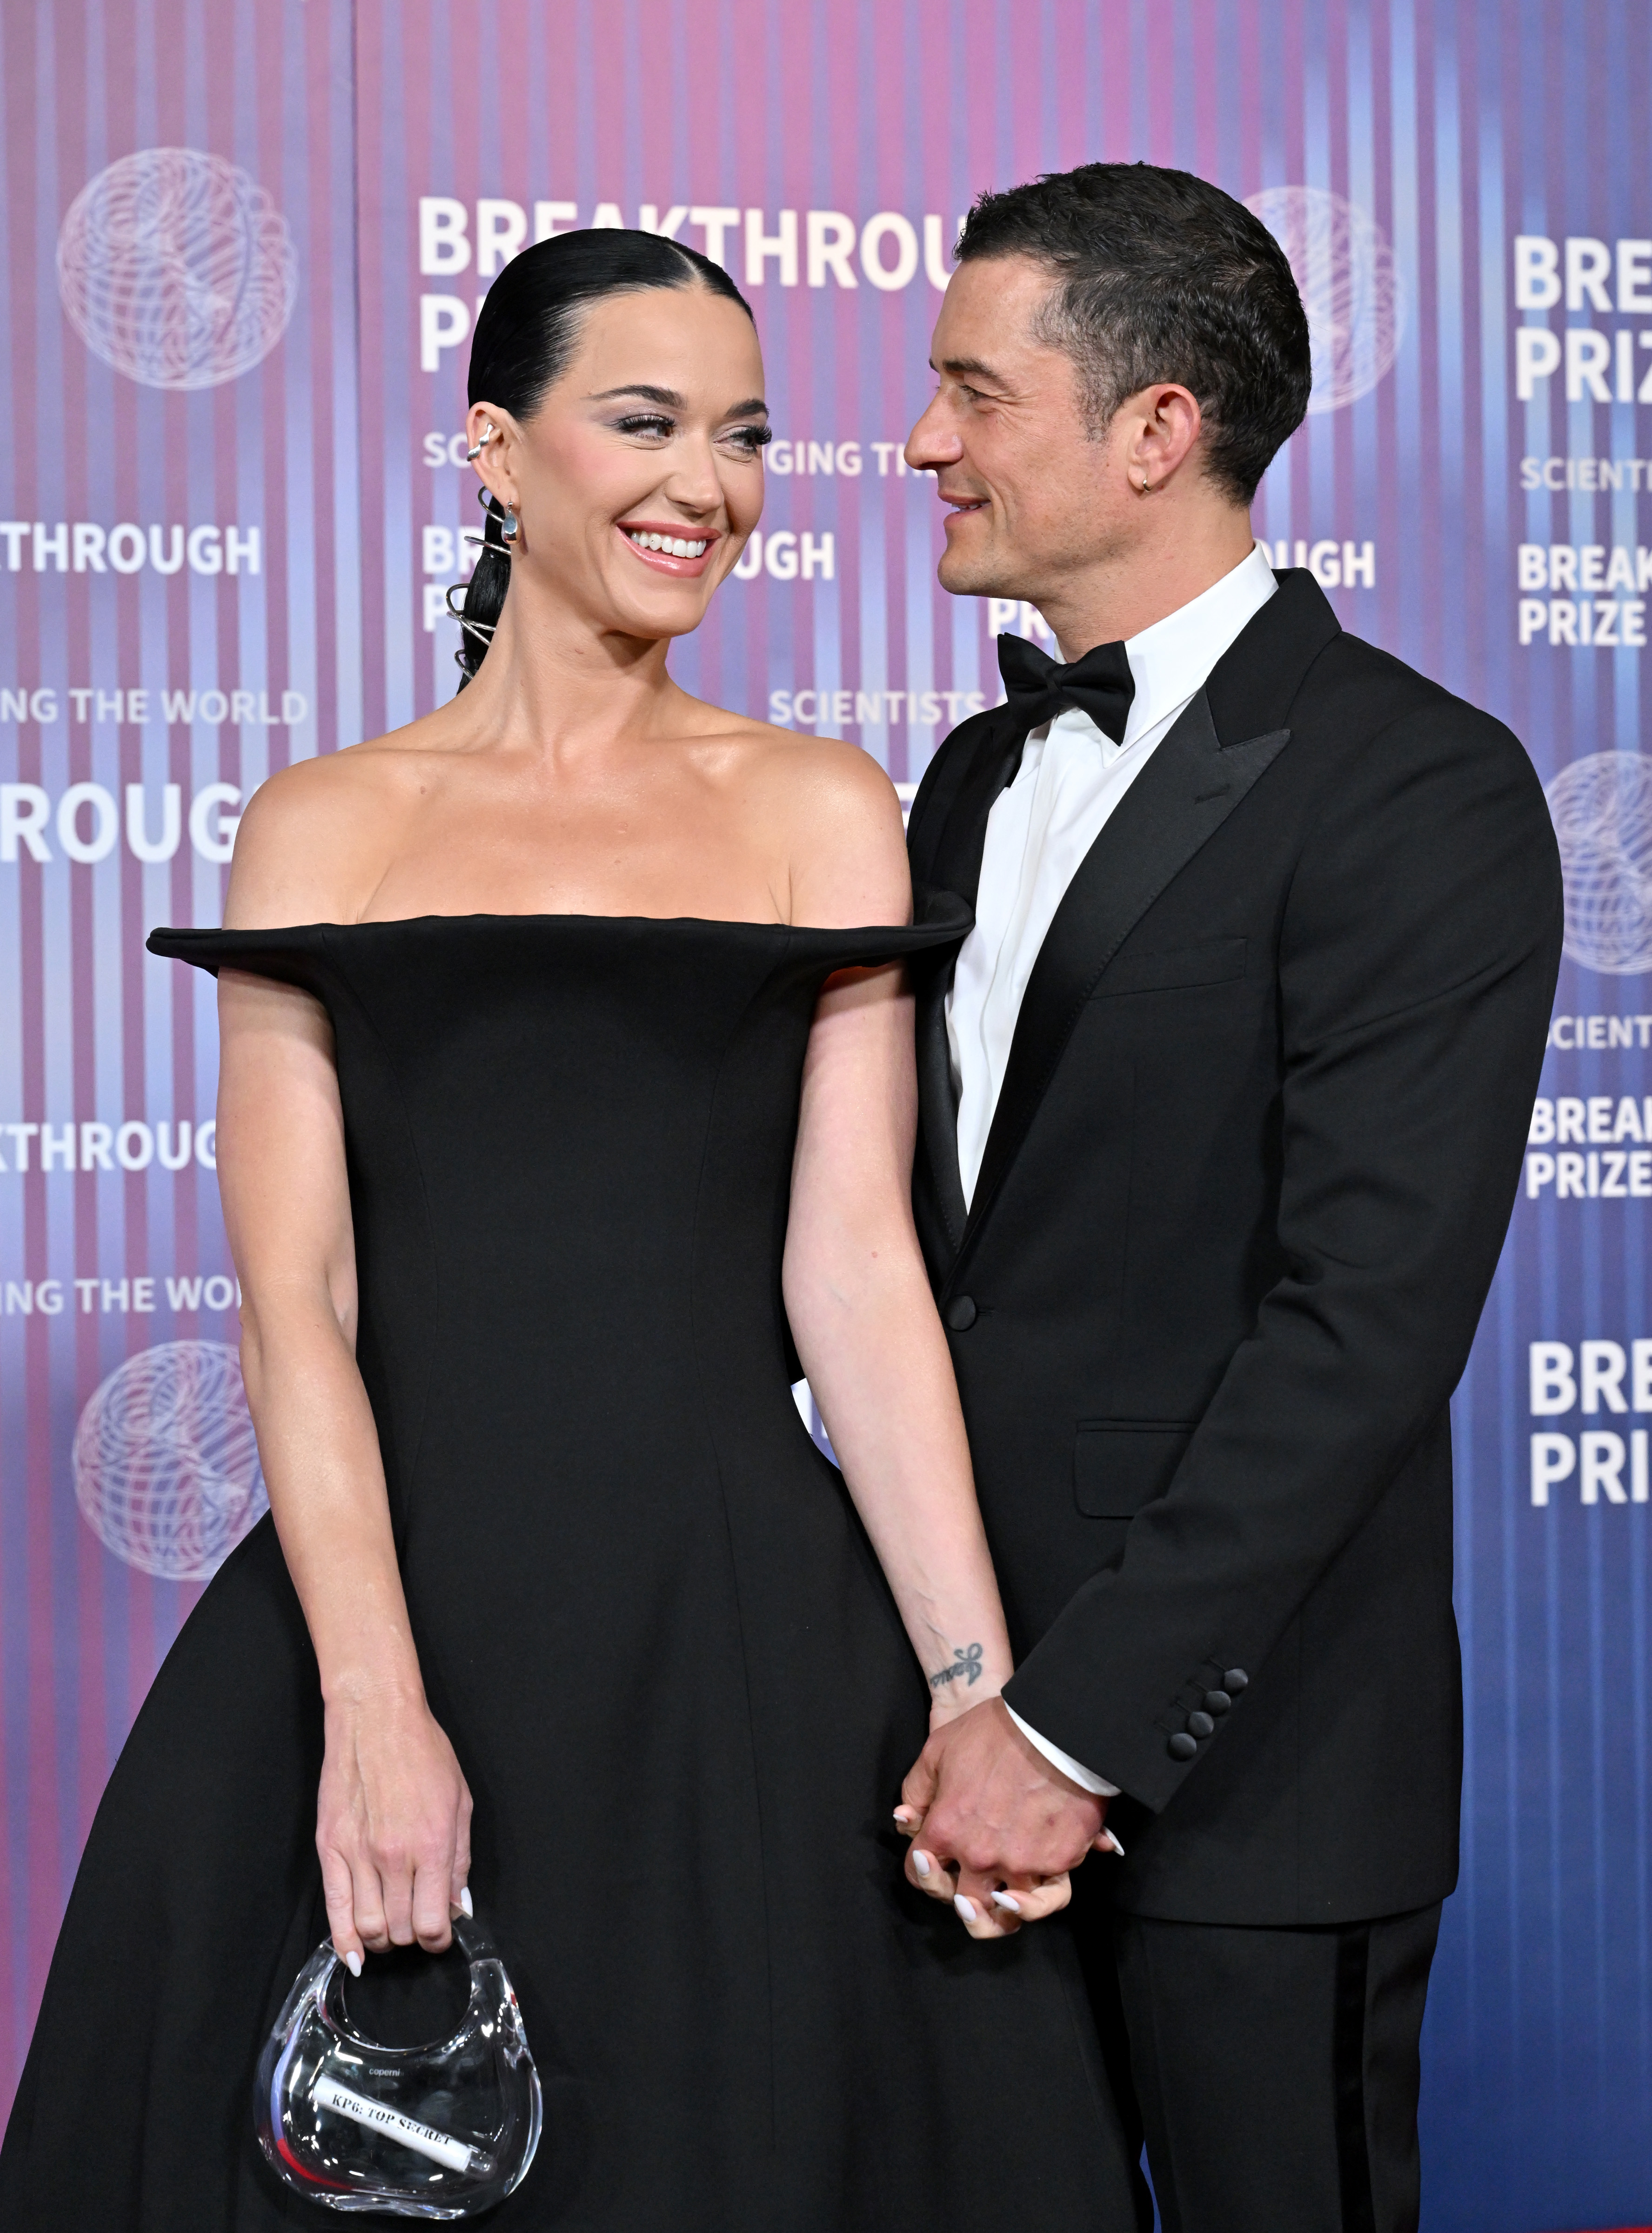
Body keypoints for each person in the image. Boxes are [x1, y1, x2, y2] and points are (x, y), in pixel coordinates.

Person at [0, 231, 1142, 2230]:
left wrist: (974, 1688)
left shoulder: (816, 804)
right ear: (497, 455)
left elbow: (854, 1274)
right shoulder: (324, 823)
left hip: (740, 1658)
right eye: (645, 423)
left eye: (746, 434)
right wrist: (374, 1715)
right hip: (389, 1613)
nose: (706, 485)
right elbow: (300, 1304)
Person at [893, 163, 1563, 2233]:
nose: (924, 441)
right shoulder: (969, 780)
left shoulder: (1415, 788)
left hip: (1243, 1768)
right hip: (928, 1753)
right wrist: (951, 1696)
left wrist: (1073, 1733)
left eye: (974, 392)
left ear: (1156, 429)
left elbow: (1358, 1328)